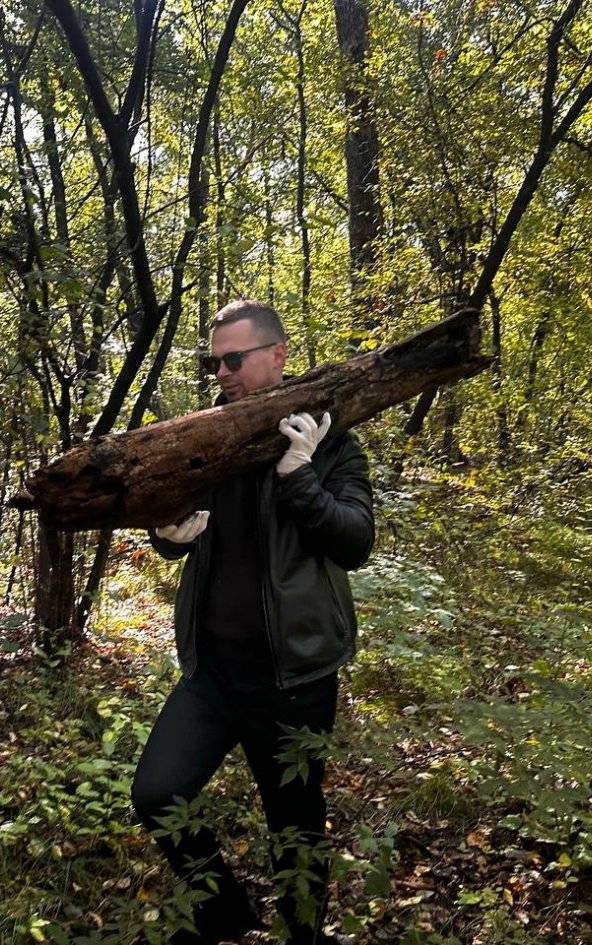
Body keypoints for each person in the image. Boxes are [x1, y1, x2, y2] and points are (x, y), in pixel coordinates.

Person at [131, 299, 375, 944]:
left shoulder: (331, 444)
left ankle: (303, 934)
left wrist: (300, 477)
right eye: (213, 362)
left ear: (277, 356)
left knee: (294, 824)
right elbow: (180, 529)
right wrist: (167, 533)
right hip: (213, 672)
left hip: (295, 676)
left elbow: (355, 542)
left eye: (234, 359)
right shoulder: (209, 439)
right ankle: (222, 909)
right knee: (158, 794)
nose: (222, 373)